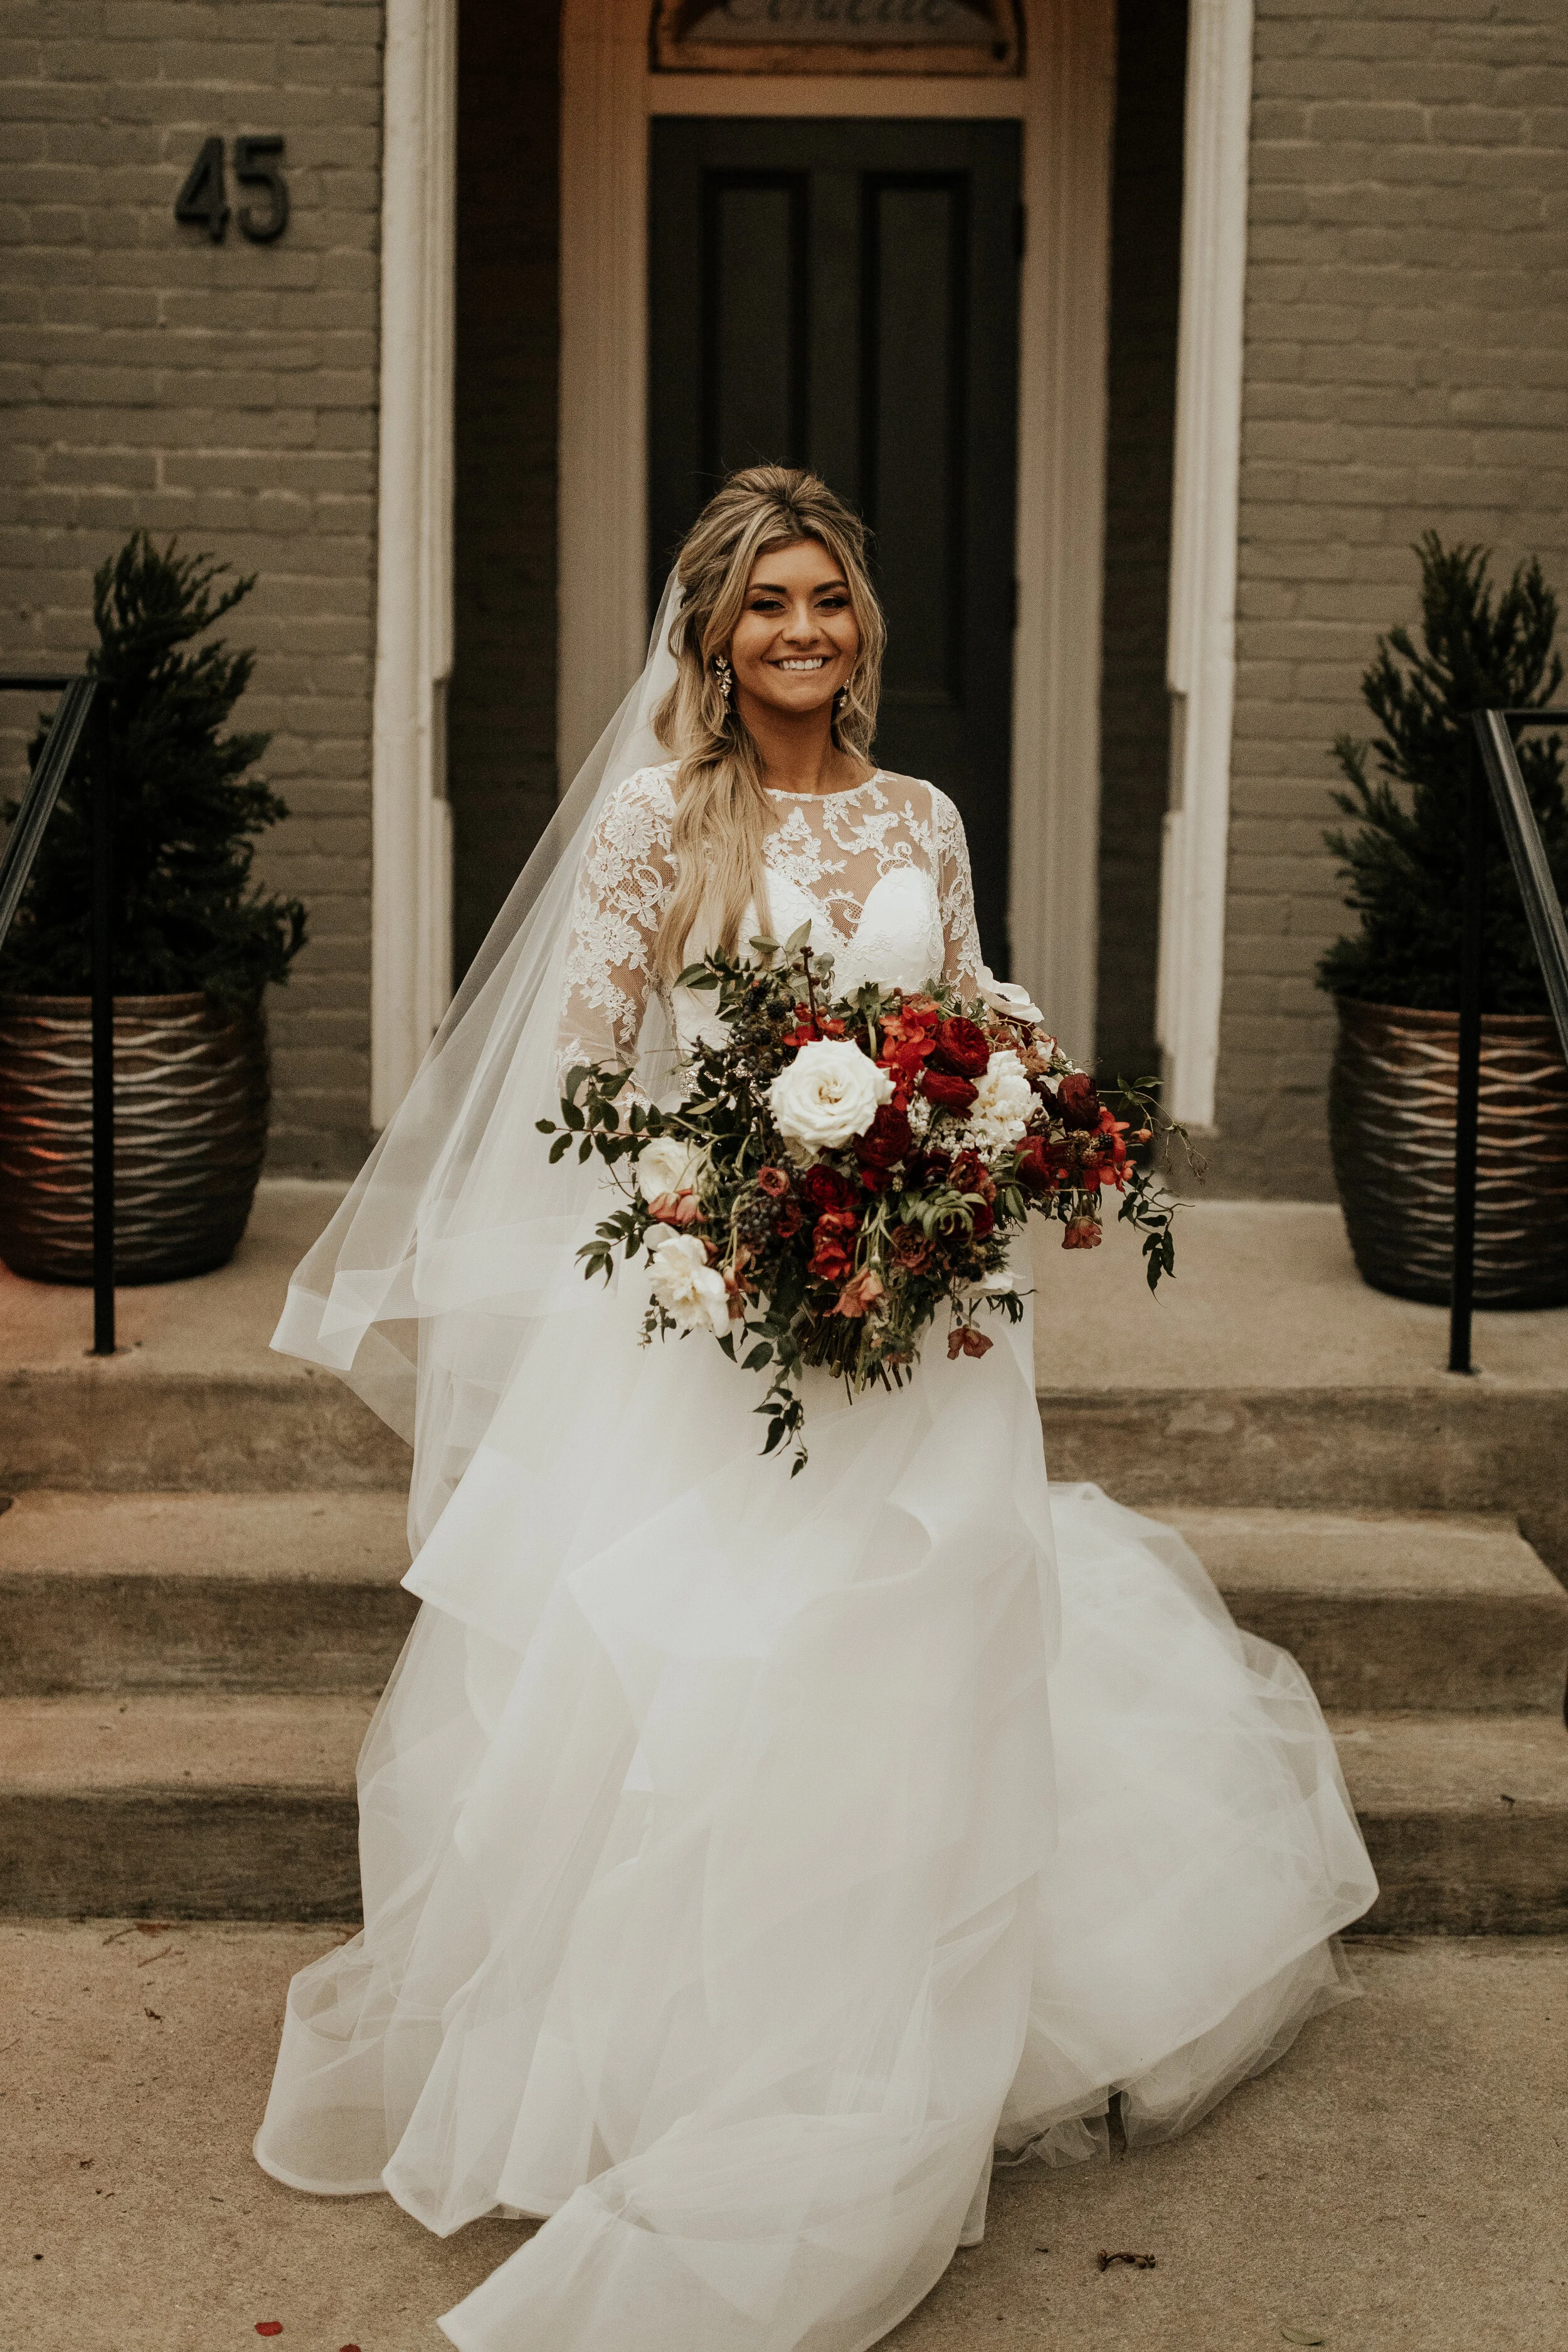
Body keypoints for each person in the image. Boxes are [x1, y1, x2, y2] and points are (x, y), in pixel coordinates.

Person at [255, 467, 1377, 2352]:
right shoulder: (655, 822)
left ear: (863, 624)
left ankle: (895, 2028)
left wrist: (1024, 1111)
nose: (803, 631)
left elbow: (965, 1006)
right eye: (767, 603)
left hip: (925, 1321)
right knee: (725, 1673)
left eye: (829, 599)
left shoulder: (923, 815)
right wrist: (719, 1215)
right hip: (723, 1331)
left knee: (907, 1657)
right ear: (713, 631)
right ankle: (703, 2064)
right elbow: (578, 1085)